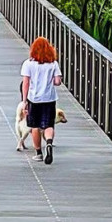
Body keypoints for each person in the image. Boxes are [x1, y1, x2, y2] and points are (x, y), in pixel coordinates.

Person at [21, 36, 63, 164]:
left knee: (35, 126)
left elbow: (26, 83)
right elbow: (57, 82)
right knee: (49, 125)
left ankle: (38, 153)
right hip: (49, 98)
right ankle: (49, 143)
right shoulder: (53, 64)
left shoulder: (28, 64)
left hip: (34, 98)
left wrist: (24, 101)